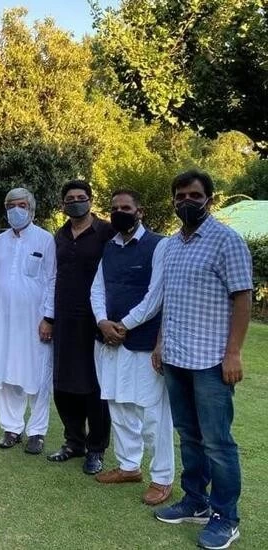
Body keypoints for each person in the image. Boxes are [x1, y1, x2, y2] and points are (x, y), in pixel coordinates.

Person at [123, 171, 251, 550]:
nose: (186, 202)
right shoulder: (172, 246)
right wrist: (160, 343)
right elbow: (170, 300)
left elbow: (242, 298)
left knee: (217, 443)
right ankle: (196, 501)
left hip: (212, 361)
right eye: (180, 196)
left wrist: (233, 353)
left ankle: (226, 517)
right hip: (176, 358)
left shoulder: (227, 241)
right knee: (189, 436)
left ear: (209, 198)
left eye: (194, 195)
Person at [89, 189, 174, 506]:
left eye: (126, 207)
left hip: (143, 342)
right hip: (109, 340)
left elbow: (156, 295)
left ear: (140, 212)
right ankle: (128, 466)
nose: (119, 212)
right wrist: (102, 322)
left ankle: (162, 478)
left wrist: (124, 324)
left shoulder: (159, 245)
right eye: (114, 208)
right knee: (118, 404)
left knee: (152, 413)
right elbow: (97, 288)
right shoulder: (109, 246)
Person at [47, 180, 116, 475]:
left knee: (93, 387)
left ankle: (96, 448)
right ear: (63, 204)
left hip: (95, 320)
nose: (76, 202)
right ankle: (73, 441)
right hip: (64, 319)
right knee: (63, 385)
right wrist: (49, 317)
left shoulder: (106, 232)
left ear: (90, 199)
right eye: (70, 199)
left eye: (81, 197)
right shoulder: (59, 236)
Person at [0, 188, 55, 455]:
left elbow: (53, 280)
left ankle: (36, 432)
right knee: (5, 371)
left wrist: (48, 317)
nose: (16, 210)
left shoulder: (45, 240)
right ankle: (11, 428)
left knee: (38, 373)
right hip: (3, 319)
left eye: (22, 205)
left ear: (31, 209)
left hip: (35, 321)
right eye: (11, 205)